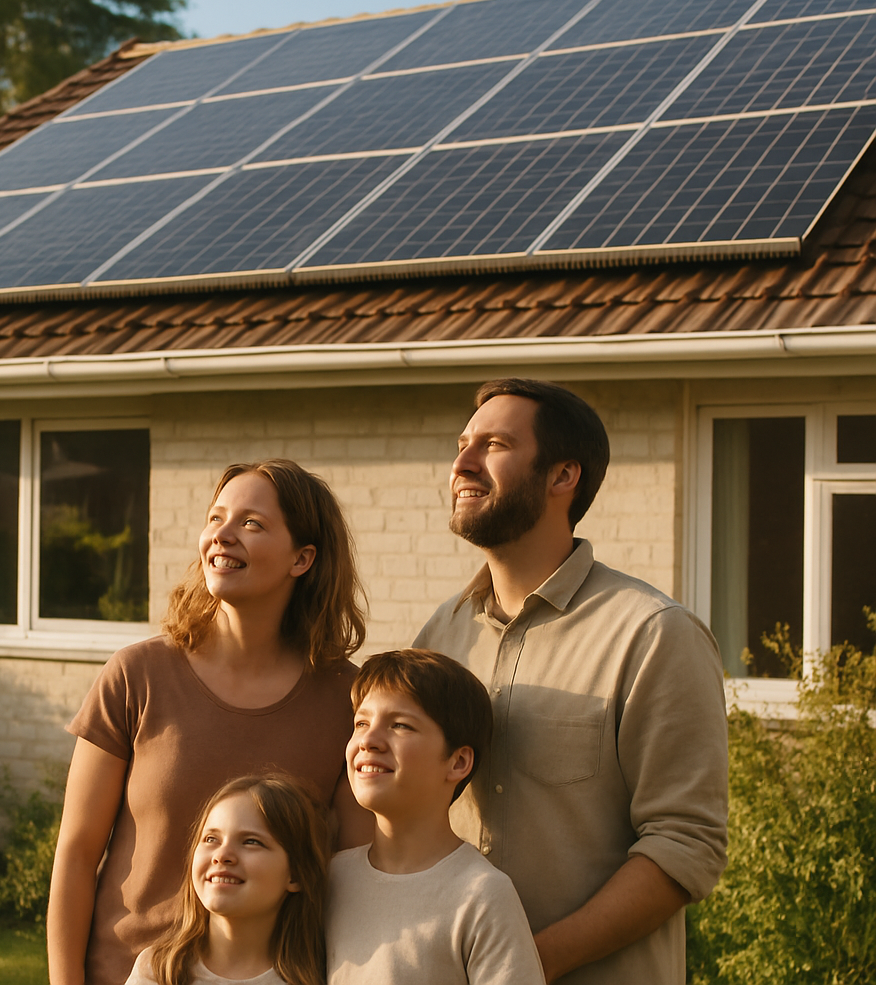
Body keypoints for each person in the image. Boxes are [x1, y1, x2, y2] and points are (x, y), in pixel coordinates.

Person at [413, 378, 728, 985]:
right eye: (462, 444)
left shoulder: (653, 634)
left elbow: (684, 845)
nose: (462, 464)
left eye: (494, 445)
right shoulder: (440, 637)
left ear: (563, 476)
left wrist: (529, 964)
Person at [48, 459, 372, 985]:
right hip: (127, 972)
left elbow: (351, 874)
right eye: (216, 517)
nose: (222, 534)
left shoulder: (347, 700)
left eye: (251, 523)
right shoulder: (137, 675)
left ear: (303, 558)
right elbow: (77, 854)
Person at [326, 648, 545, 985]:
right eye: (361, 723)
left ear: (458, 763)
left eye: (400, 725)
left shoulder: (482, 896)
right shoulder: (331, 879)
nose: (369, 740)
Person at [124, 773, 330, 985]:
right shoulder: (158, 970)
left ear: (295, 874)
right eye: (211, 839)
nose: (222, 855)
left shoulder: (322, 977)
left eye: (251, 842)